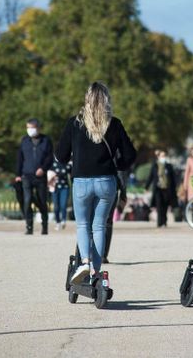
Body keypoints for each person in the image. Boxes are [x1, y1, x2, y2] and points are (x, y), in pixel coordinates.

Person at [56, 82, 136, 284]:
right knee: (99, 226)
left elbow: (60, 155)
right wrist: (119, 164)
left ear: (87, 99)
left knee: (83, 224)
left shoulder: (75, 123)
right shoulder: (114, 124)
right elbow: (130, 155)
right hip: (106, 182)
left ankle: (84, 262)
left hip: (81, 181)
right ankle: (96, 272)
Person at [15, 118, 54, 235]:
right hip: (26, 175)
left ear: (38, 128)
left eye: (32, 127)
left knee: (42, 201)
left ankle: (45, 226)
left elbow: (50, 158)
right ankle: (29, 226)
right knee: (27, 200)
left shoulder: (46, 140)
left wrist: (43, 168)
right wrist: (17, 174)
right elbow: (20, 159)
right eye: (28, 128)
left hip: (40, 177)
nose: (29, 130)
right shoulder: (24, 141)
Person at [145, 150, 178, 227]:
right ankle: (160, 222)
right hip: (158, 189)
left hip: (167, 189)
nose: (163, 157)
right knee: (159, 205)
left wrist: (175, 188)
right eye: (162, 156)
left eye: (164, 155)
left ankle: (164, 221)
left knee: (165, 206)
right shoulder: (155, 165)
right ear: (158, 157)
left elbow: (173, 178)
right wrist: (146, 187)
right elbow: (151, 177)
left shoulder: (169, 166)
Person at [103, 171, 128, 263]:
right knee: (107, 221)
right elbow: (121, 169)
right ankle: (103, 254)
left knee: (93, 220)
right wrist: (123, 191)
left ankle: (90, 254)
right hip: (111, 185)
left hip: (92, 181)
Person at [48, 158, 72, 230]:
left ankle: (63, 220)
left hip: (65, 187)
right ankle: (57, 222)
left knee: (63, 205)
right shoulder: (52, 163)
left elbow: (71, 174)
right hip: (54, 187)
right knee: (56, 206)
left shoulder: (68, 163)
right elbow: (49, 174)